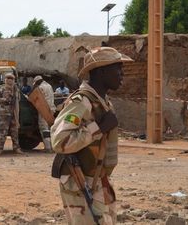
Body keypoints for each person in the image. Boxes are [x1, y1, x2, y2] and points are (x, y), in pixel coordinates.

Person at [51, 47, 133, 225]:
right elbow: (59, 141)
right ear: (102, 71)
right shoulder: (82, 102)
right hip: (80, 180)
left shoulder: (103, 103)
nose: (122, 74)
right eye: (117, 68)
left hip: (98, 180)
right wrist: (99, 128)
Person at [0, 73, 24, 155]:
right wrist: (4, 100)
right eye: (8, 78)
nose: (10, 80)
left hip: (14, 113)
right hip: (4, 113)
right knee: (3, 131)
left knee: (15, 131)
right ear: (5, 79)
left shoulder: (16, 89)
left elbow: (19, 99)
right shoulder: (1, 88)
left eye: (11, 78)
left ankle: (16, 148)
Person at [33, 75, 56, 152]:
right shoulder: (49, 86)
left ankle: (48, 147)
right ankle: (53, 147)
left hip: (44, 109)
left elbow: (37, 98)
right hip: (51, 109)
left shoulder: (40, 88)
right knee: (50, 128)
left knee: (44, 128)